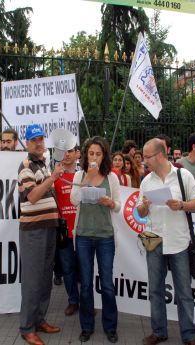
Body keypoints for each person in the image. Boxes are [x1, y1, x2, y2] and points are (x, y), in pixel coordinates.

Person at [136, 138, 195, 345]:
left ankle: (189, 335)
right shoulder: (146, 181)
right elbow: (140, 212)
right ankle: (158, 331)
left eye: (147, 157)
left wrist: (181, 205)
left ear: (160, 155)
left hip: (178, 240)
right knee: (155, 289)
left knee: (184, 291)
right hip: (153, 238)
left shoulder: (183, 175)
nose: (144, 161)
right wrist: (144, 206)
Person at [17, 124, 64, 345]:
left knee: (45, 278)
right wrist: (52, 177)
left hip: (48, 228)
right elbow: (33, 196)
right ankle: (27, 328)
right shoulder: (26, 165)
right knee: (32, 280)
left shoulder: (43, 165)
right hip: (33, 230)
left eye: (41, 139)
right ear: (27, 143)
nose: (39, 142)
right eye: (34, 139)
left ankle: (39, 320)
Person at [70, 136, 120, 344]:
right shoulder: (79, 174)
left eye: (98, 154)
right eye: (91, 153)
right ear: (85, 155)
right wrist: (88, 178)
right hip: (83, 235)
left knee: (107, 283)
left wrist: (110, 202)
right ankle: (87, 326)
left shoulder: (112, 178)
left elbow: (118, 206)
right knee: (87, 284)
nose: (94, 157)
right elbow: (73, 200)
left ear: (104, 156)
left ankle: (110, 326)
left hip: (105, 237)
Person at [53, 146, 80, 316]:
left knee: (85, 269)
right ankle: (73, 301)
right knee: (68, 268)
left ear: (77, 153)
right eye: (63, 151)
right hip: (64, 232)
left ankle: (87, 301)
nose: (67, 154)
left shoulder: (83, 176)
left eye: (70, 150)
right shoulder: (55, 177)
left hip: (82, 230)